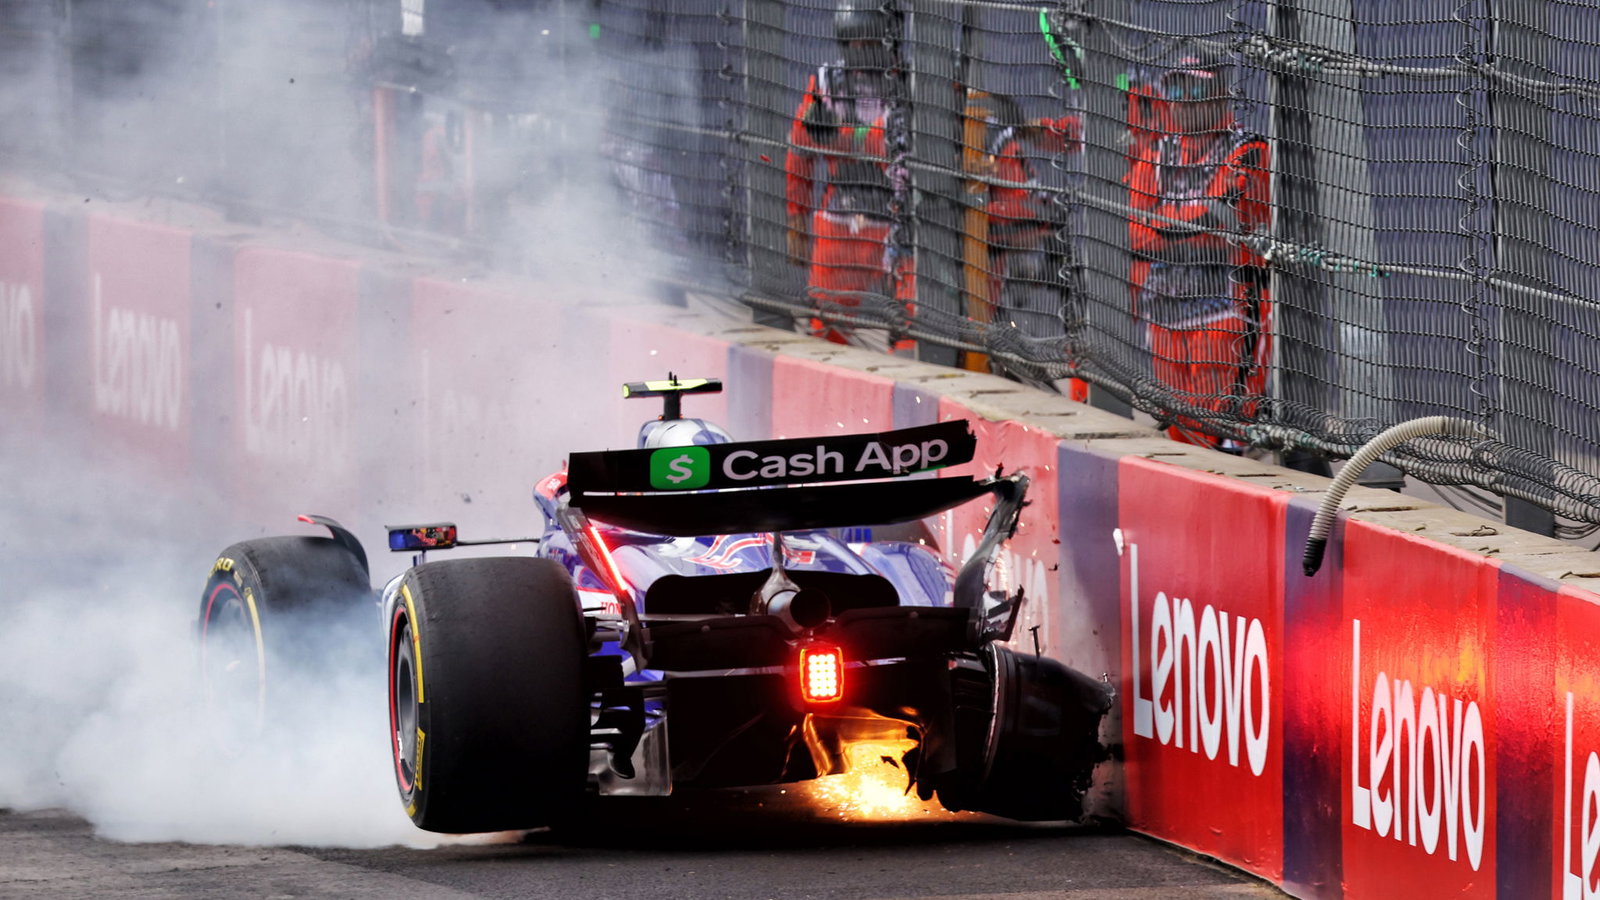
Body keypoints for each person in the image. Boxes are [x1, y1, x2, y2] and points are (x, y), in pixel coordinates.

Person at [1126, 50, 1271, 448]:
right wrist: (1183, 225)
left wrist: (1172, 225)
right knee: (1176, 433)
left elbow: (1221, 221)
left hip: (1227, 310)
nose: (1181, 98)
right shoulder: (1157, 152)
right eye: (1173, 85)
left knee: (1222, 430)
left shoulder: (1247, 148)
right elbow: (1136, 229)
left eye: (1194, 85)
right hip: (1166, 314)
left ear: (1220, 92)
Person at [785, 0, 912, 348]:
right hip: (841, 217)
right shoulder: (826, 81)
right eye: (852, 44)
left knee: (913, 332)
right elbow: (800, 151)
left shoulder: (912, 84)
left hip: (901, 223)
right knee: (828, 331)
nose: (860, 52)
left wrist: (842, 137)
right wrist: (796, 218)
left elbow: (897, 150)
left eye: (868, 43)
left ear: (888, 41)